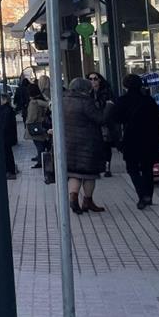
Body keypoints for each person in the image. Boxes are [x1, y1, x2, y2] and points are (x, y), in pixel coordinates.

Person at [112, 74, 159, 209]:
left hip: (131, 138)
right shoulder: (148, 100)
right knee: (148, 168)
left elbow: (116, 119)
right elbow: (158, 120)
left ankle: (142, 195)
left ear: (125, 86)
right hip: (149, 139)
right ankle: (148, 195)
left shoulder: (123, 101)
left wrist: (118, 141)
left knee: (132, 168)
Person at [64, 77, 107, 214]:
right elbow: (99, 119)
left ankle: (73, 197)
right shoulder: (86, 102)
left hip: (69, 143)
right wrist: (109, 107)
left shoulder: (63, 100)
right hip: (88, 143)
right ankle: (87, 201)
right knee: (89, 175)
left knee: (74, 174)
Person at [88, 72, 117, 177]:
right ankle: (98, 166)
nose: (93, 81)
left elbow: (111, 105)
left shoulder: (106, 92)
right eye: (90, 79)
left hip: (104, 122)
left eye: (95, 79)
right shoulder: (88, 93)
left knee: (106, 145)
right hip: (93, 122)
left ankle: (107, 167)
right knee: (95, 145)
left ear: (99, 80)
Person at [25, 84, 50, 168]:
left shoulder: (33, 103)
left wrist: (28, 123)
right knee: (42, 143)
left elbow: (32, 117)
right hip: (42, 124)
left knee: (38, 144)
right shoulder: (41, 100)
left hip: (35, 125)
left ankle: (41, 161)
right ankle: (41, 158)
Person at [1, 96, 19, 179]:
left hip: (6, 136)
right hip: (8, 136)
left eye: (0, 99)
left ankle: (10, 171)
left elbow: (5, 124)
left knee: (7, 154)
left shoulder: (6, 110)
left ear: (4, 100)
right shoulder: (7, 109)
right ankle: (10, 170)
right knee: (7, 153)